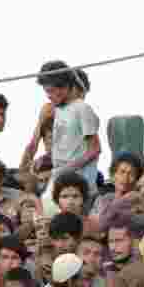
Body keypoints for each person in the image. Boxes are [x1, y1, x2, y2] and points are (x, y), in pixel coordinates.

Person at [38, 60, 100, 194]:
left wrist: (62, 170)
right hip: (60, 177)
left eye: (51, 91)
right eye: (46, 91)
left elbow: (94, 150)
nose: (48, 96)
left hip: (79, 181)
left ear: (64, 87)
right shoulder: (59, 109)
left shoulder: (82, 108)